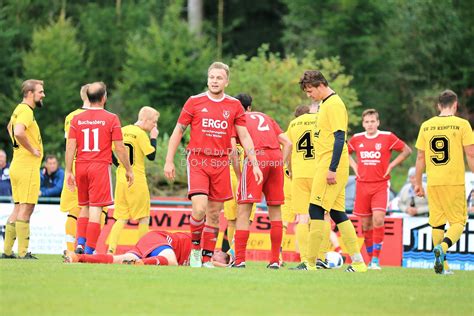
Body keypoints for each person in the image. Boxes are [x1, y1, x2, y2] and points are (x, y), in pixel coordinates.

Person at [164, 62, 263, 268]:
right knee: (199, 209)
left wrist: (254, 163)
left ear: (226, 81)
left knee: (215, 215)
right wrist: (169, 160)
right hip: (198, 160)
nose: (214, 81)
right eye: (211, 77)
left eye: (219, 78)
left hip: (220, 163)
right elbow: (178, 131)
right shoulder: (194, 102)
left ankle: (208, 258)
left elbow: (244, 136)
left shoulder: (234, 105)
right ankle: (195, 252)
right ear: (207, 79)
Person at [299, 70, 367, 272]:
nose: (309, 95)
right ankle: (359, 263)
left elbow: (340, 138)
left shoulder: (335, 104)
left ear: (320, 85)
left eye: (310, 91)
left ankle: (310, 263)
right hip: (327, 163)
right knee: (338, 214)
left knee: (315, 209)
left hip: (331, 165)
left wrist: (332, 168)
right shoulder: (325, 104)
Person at [65, 82, 134, 255]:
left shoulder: (76, 119)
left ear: (87, 98)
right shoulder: (111, 118)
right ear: (104, 98)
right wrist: (128, 169)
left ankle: (79, 244)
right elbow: (119, 148)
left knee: (84, 207)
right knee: (96, 208)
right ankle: (89, 251)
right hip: (99, 167)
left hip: (81, 165)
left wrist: (68, 171)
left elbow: (70, 147)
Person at [414, 89, 474, 274]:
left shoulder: (426, 125)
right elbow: (470, 153)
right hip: (453, 181)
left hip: (433, 181)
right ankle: (443, 248)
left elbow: (420, 157)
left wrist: (417, 183)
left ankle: (442, 266)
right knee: (458, 222)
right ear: (455, 105)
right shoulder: (462, 124)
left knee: (437, 223)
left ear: (439, 106)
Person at [232, 93, 292, 269]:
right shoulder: (265, 117)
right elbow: (287, 143)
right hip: (275, 157)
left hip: (256, 158)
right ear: (250, 107)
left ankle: (240, 260)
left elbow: (233, 152)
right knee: (275, 212)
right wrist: (279, 164)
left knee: (244, 211)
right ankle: (274, 260)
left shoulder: (237, 120)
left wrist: (239, 175)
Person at [348, 108, 412, 269]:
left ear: (378, 122)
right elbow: (344, 152)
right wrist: (354, 166)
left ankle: (376, 259)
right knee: (365, 225)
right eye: (367, 122)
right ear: (363, 124)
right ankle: (370, 260)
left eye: (373, 121)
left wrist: (391, 165)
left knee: (378, 219)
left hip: (381, 185)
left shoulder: (387, 137)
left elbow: (407, 150)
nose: (370, 124)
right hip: (362, 186)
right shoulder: (356, 139)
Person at [286, 102, 333, 270]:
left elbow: (287, 146)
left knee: (302, 218)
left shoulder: (294, 123)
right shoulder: (323, 121)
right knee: (323, 215)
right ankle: (320, 257)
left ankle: (306, 260)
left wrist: (289, 169)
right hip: (318, 173)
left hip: (299, 175)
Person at [107, 106, 160, 254]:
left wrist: (120, 166)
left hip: (121, 178)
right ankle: (142, 251)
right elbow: (151, 156)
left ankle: (111, 250)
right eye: (154, 122)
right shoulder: (141, 134)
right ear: (145, 119)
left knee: (121, 218)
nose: (154, 126)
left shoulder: (121, 130)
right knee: (143, 218)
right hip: (137, 179)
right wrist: (154, 137)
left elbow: (110, 152)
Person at [2, 79, 45, 259]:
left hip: (17, 165)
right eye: (40, 92)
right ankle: (23, 252)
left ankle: (7, 251)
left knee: (17, 208)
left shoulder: (18, 109)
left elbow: (9, 127)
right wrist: (32, 148)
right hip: (26, 166)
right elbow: (18, 131)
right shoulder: (26, 110)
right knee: (27, 209)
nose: (43, 95)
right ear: (30, 94)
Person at [63, 230, 231, 266]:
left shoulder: (202, 262)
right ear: (215, 251)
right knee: (171, 261)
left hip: (151, 243)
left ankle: (79, 257)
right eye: (218, 255)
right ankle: (142, 263)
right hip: (160, 240)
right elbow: (214, 265)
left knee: (119, 260)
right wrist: (229, 265)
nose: (215, 258)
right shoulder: (204, 251)